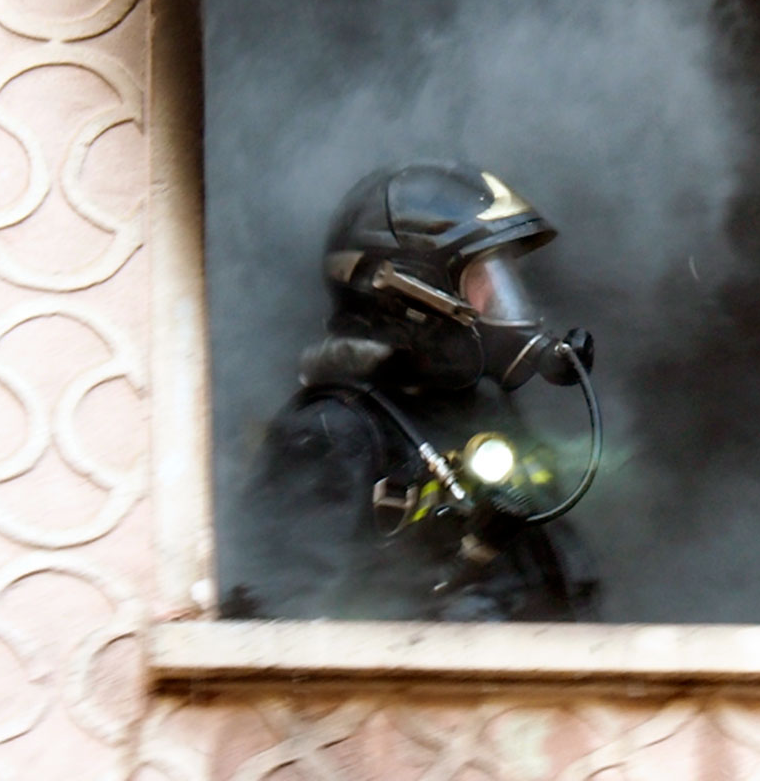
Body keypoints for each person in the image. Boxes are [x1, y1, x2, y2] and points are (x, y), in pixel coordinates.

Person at [224, 162, 601, 621]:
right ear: (410, 294)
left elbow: (562, 582)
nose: (502, 304)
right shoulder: (330, 433)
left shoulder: (482, 411)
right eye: (483, 282)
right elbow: (274, 632)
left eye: (504, 282)